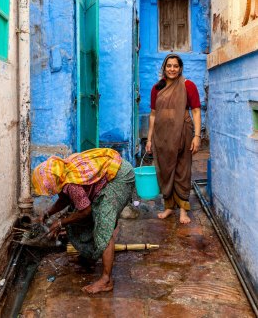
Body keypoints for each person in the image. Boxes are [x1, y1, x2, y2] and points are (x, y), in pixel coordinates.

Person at [32, 147, 135, 294]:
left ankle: (106, 280)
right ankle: (89, 256)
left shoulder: (71, 183)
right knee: (75, 219)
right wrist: (47, 214)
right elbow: (65, 199)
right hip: (112, 170)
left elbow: (86, 211)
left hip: (119, 177)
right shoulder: (62, 172)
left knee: (103, 225)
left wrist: (61, 222)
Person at [145, 54, 201, 224]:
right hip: (162, 135)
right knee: (165, 168)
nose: (172, 69)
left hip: (183, 131)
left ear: (180, 68)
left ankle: (183, 210)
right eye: (169, 66)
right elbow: (153, 115)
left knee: (182, 169)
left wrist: (197, 136)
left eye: (175, 66)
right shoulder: (157, 88)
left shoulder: (188, 85)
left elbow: (196, 111)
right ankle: (169, 207)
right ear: (164, 68)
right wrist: (149, 139)